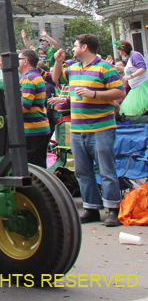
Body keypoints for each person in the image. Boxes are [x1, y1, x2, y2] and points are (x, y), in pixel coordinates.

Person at [51, 33, 125, 227]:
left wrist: (93, 94)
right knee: (82, 171)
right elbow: (56, 78)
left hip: (101, 128)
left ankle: (113, 210)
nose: (73, 49)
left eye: (75, 45)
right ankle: (91, 208)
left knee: (106, 170)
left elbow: (120, 91)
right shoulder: (73, 68)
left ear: (85, 47)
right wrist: (57, 62)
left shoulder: (105, 68)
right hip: (77, 129)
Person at [17, 49, 49, 168]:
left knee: (32, 169)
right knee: (40, 167)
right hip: (40, 128)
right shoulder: (36, 76)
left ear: (25, 61)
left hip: (32, 131)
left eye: (18, 59)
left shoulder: (28, 78)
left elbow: (24, 107)